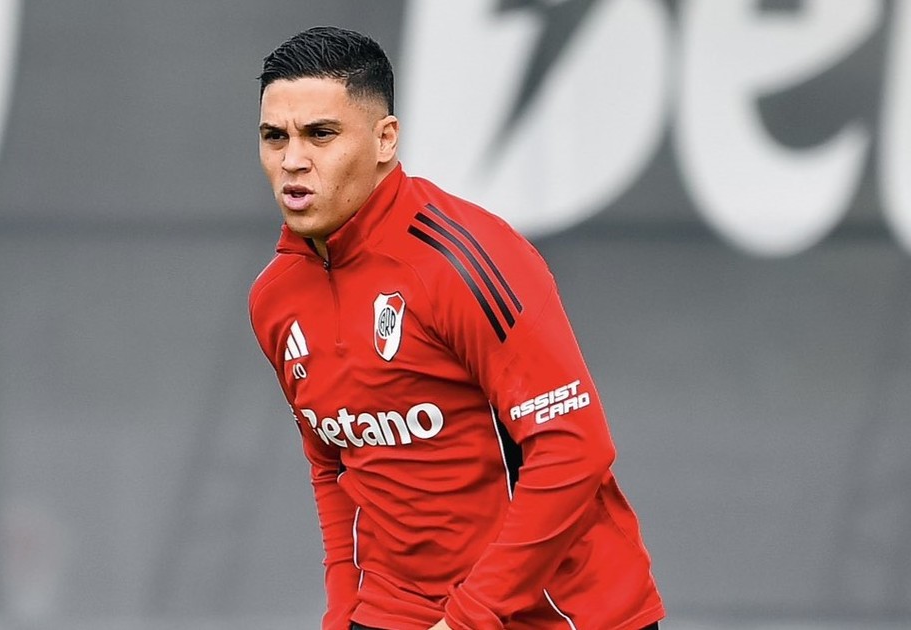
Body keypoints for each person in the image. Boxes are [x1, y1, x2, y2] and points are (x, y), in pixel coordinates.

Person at [248, 25, 664, 630]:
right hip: (395, 611)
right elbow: (334, 467)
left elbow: (574, 449)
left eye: (321, 134)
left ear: (385, 139)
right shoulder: (275, 298)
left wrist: (470, 617)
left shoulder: (460, 260)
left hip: (555, 614)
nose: (292, 160)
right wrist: (343, 612)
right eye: (274, 137)